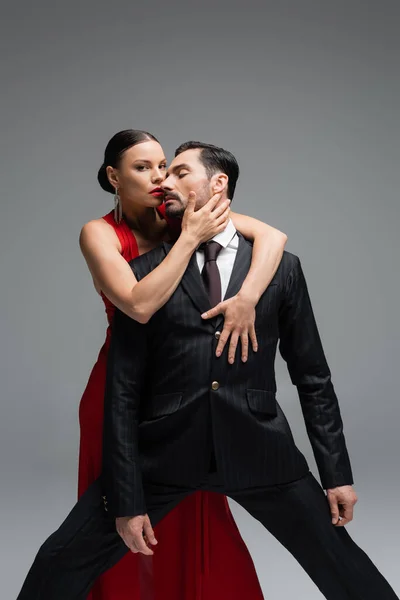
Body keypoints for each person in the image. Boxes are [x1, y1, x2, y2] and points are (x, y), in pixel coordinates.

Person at [19, 140, 398, 600]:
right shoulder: (144, 270)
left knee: (344, 566)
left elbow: (312, 376)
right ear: (114, 176)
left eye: (176, 171)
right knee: (60, 561)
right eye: (153, 170)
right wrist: (126, 498)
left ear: (217, 184)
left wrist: (336, 473)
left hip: (259, 448)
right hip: (164, 451)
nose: (163, 181)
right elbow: (122, 391)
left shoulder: (281, 270)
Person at [76, 130, 288, 600]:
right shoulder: (99, 233)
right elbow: (139, 304)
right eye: (143, 168)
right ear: (114, 176)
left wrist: (247, 298)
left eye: (165, 167)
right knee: (121, 521)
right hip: (121, 388)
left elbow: (273, 237)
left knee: (199, 515)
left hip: (184, 388)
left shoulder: (177, 213)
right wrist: (189, 238)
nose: (159, 178)